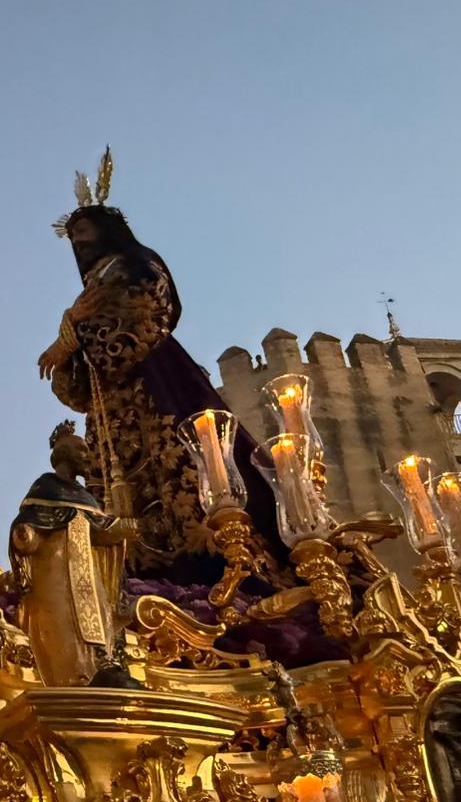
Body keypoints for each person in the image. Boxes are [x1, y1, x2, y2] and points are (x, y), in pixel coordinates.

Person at [37, 151, 284, 584]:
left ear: (107, 229)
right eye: (72, 236)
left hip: (156, 382)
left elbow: (146, 308)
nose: (78, 242)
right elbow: (85, 354)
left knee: (183, 473)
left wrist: (74, 331)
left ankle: (219, 569)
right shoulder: (93, 286)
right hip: (111, 406)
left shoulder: (136, 262)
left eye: (84, 230)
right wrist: (70, 343)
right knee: (121, 488)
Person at [10, 421, 135, 687]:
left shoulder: (85, 497)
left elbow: (99, 529)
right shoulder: (46, 488)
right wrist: (25, 535)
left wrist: (124, 529)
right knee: (63, 627)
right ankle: (71, 677)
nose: (88, 457)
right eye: (82, 450)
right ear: (66, 455)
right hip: (56, 576)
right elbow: (30, 528)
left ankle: (102, 668)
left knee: (98, 621)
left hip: (89, 576)